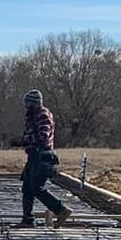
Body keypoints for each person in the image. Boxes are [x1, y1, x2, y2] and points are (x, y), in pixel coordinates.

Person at [16, 88, 72, 228]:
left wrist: (24, 140)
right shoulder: (33, 117)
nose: (26, 106)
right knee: (27, 188)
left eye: (28, 103)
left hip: (43, 157)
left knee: (36, 188)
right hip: (34, 157)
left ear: (35, 103)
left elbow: (43, 136)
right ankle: (27, 220)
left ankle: (61, 210)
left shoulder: (42, 115)